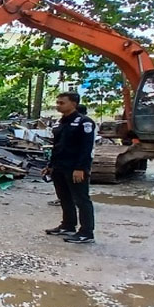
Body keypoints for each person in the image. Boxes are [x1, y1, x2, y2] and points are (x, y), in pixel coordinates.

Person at [43, 92, 96, 244]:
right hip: (60, 167)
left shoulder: (84, 122)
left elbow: (86, 148)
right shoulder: (60, 123)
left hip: (75, 168)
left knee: (81, 200)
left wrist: (81, 168)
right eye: (57, 102)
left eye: (62, 103)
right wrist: (50, 166)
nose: (58, 105)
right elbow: (57, 147)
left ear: (73, 103)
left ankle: (86, 232)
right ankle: (68, 225)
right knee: (64, 198)